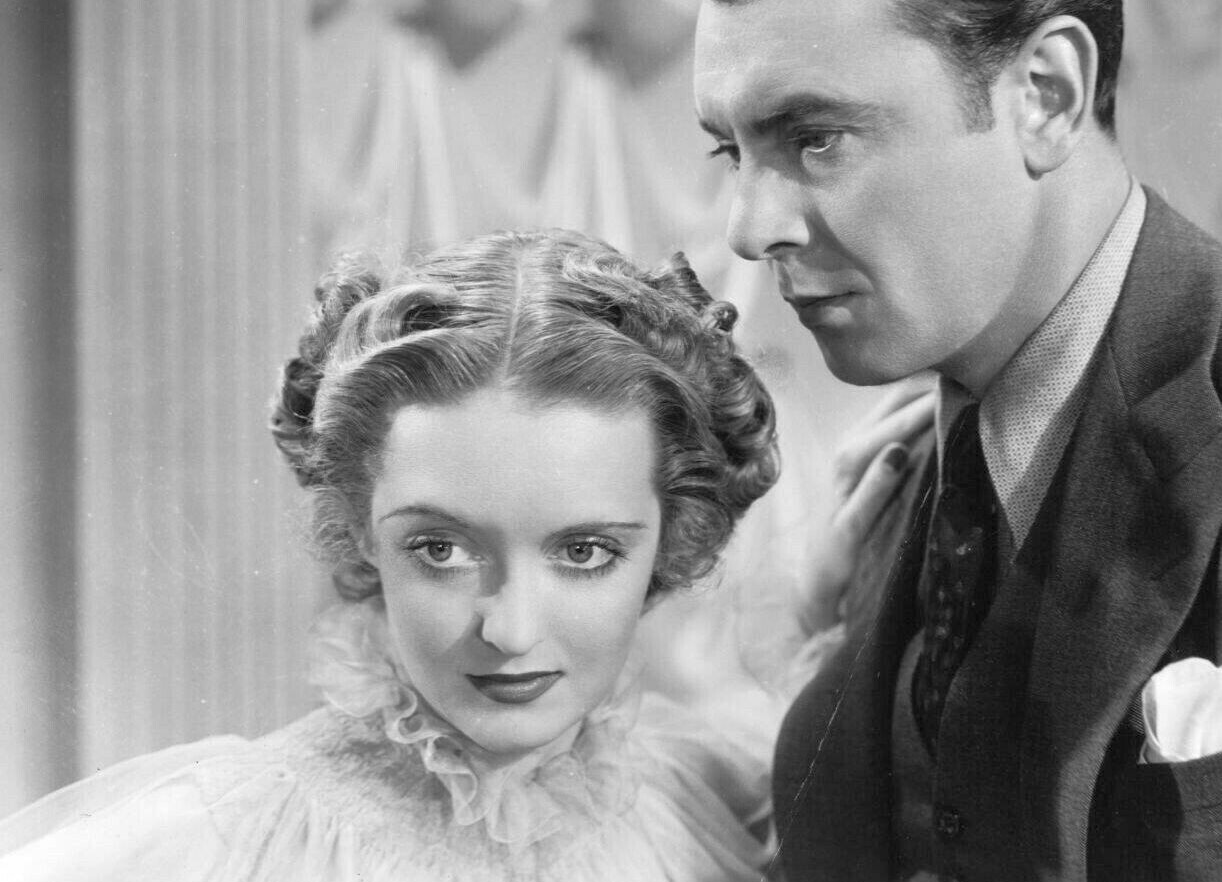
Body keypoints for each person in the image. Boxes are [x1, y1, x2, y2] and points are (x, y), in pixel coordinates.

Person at [689, 0, 1222, 880]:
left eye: (815, 137)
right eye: (731, 149)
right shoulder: (894, 486)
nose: (748, 228)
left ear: (1046, 94)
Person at [0, 228, 795, 881]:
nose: (511, 630)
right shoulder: (212, 842)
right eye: (441, 548)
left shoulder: (715, 798)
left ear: (673, 536)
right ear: (359, 526)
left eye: (584, 551)